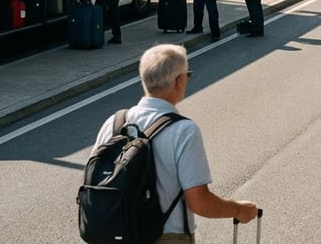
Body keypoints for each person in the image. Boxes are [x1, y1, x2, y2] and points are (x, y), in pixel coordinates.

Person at [91, 44, 258, 239]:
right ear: (179, 81)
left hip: (114, 234)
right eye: (187, 75)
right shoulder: (183, 131)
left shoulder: (114, 122)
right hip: (164, 235)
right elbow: (199, 202)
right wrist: (237, 210)